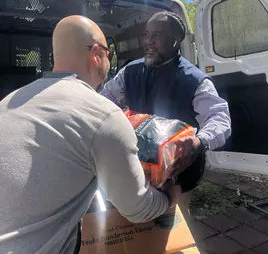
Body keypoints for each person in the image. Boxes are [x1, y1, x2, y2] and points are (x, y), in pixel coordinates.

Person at [0, 15, 181, 254]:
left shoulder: (8, 102)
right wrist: (170, 195)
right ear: (96, 53)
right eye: (108, 53)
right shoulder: (103, 115)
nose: (109, 60)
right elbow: (137, 208)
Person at [101, 11, 231, 219]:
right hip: (136, 171)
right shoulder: (130, 71)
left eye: (157, 36)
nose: (148, 42)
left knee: (173, 228)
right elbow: (104, 101)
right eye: (146, 35)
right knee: (133, 227)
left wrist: (198, 142)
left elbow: (220, 119)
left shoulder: (194, 80)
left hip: (177, 177)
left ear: (175, 41)